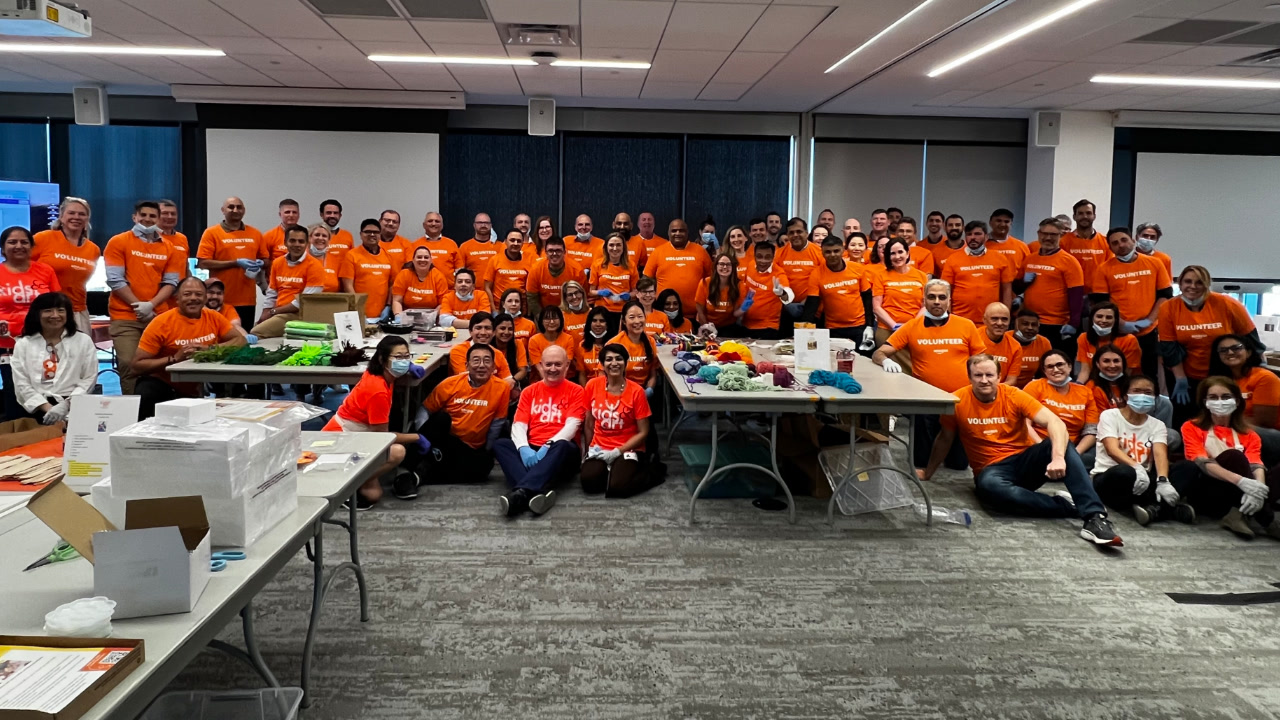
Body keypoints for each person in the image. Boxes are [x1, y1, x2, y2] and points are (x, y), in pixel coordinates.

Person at [925, 354, 1123, 547]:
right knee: (992, 491)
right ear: (969, 377)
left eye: (989, 375)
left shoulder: (1013, 395)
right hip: (992, 470)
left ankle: (1095, 518)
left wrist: (1057, 458)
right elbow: (945, 438)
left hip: (1024, 460)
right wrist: (928, 472)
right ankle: (1068, 506)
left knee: (1059, 441)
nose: (984, 380)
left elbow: (1054, 422)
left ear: (999, 376)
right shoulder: (957, 400)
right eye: (978, 376)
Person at [874, 279, 986, 470]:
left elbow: (982, 361)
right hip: (924, 400)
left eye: (942, 297)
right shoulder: (912, 326)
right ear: (924, 300)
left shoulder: (966, 325)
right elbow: (879, 352)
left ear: (949, 301)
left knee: (958, 465)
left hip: (959, 400)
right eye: (931, 297)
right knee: (921, 463)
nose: (936, 301)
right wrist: (885, 360)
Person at [322, 335, 424, 507]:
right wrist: (417, 438)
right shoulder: (378, 391)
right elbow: (382, 436)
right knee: (396, 453)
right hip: (343, 437)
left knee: (373, 490)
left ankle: (359, 480)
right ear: (383, 359)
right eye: (398, 357)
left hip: (357, 432)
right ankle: (345, 487)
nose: (404, 361)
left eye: (407, 356)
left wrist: (409, 366)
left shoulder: (380, 372)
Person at [1172, 376, 1280, 539]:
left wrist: (1258, 488)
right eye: (1213, 397)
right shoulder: (1192, 427)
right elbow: (1201, 461)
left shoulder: (1249, 434)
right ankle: (1267, 519)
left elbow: (1255, 463)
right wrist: (1241, 482)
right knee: (1234, 456)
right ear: (1205, 402)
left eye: (1226, 397)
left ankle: (1238, 513)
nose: (1220, 401)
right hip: (1209, 490)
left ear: (1237, 401)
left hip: (1241, 494)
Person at [132, 277, 245, 420]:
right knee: (147, 392)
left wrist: (209, 349)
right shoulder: (161, 323)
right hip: (162, 383)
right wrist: (174, 359)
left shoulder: (214, 317)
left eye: (198, 294)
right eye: (187, 294)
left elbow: (240, 340)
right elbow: (136, 366)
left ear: (205, 298)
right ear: (177, 299)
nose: (193, 298)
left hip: (195, 386)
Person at [1159, 265, 1259, 425]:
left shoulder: (1227, 303)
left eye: (1199, 282)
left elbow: (1251, 341)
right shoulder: (1168, 308)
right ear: (1180, 284)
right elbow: (1169, 347)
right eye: (1187, 281)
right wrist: (1180, 378)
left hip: (1224, 373)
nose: (1192, 286)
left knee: (1221, 419)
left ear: (1207, 284)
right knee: (1186, 421)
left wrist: (1254, 371)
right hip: (1185, 375)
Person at [493, 345, 586, 517]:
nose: (552, 369)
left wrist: (548, 446)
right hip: (532, 446)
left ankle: (521, 493)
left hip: (561, 452)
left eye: (558, 364)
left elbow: (572, 426)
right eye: (548, 364)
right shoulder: (529, 391)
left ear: (567, 366)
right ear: (541, 365)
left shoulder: (577, 391)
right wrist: (523, 448)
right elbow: (519, 424)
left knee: (562, 445)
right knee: (501, 444)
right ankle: (535, 492)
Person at [104, 202, 185, 396]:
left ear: (159, 219)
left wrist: (151, 305)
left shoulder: (170, 248)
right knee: (129, 364)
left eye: (152, 216)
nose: (147, 219)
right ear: (134, 217)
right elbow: (115, 280)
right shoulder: (119, 241)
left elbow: (171, 282)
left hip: (158, 316)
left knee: (164, 366)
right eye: (143, 215)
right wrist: (137, 305)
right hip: (126, 318)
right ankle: (135, 414)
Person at [1091, 374, 1190, 526]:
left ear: (1155, 397)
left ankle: (1152, 509)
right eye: (1136, 391)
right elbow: (1112, 449)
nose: (1142, 396)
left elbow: (1160, 453)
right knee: (1125, 472)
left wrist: (1163, 480)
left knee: (1187, 467)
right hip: (1110, 477)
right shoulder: (1110, 416)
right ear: (1125, 395)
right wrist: (1136, 467)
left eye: (1148, 393)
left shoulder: (1157, 425)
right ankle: (1165, 509)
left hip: (1143, 480)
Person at [419, 343, 511, 484]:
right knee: (441, 418)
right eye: (476, 360)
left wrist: (486, 451)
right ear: (467, 365)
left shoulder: (503, 388)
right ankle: (424, 464)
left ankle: (424, 474)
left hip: (469, 447)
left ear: (493, 367)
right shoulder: (450, 383)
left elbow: (496, 424)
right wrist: (420, 439)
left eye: (487, 361)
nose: (481, 365)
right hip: (445, 439)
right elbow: (425, 411)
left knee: (484, 468)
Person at [580, 342, 659, 499]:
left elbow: (644, 431)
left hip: (628, 447)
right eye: (609, 360)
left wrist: (618, 451)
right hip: (600, 446)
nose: (614, 363)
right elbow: (589, 423)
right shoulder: (592, 385)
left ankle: (652, 470)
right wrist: (588, 451)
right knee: (589, 483)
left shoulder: (637, 391)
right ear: (602, 364)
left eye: (619, 359)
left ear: (625, 363)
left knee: (617, 488)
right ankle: (612, 470)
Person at [1089, 227, 1172, 379]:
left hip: (1148, 331)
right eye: (1115, 243)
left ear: (1133, 241)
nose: (1120, 245)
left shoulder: (1155, 263)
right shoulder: (1103, 269)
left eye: (1124, 240)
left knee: (1148, 372)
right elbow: (1101, 302)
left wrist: (1149, 320)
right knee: (1117, 371)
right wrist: (1121, 323)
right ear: (1110, 248)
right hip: (1119, 331)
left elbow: (1165, 295)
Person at [0, 227, 62, 418]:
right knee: (15, 393)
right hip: (7, 347)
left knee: (47, 392)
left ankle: (45, 438)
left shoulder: (45, 271)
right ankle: (16, 438)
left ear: (31, 246)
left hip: (44, 345)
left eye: (24, 242)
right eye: (12, 242)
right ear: (3, 248)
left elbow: (58, 304)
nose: (18, 246)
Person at [11, 292, 97, 425]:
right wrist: (48, 408)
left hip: (74, 403)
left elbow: (89, 378)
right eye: (48, 311)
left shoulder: (83, 341)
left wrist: (67, 405)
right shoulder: (23, 344)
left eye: (61, 310)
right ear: (37, 314)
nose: (55, 315)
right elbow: (21, 383)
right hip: (35, 407)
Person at [1208, 334, 1280, 466]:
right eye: (1223, 350)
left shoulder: (1264, 378)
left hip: (1269, 435)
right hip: (1232, 428)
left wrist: (1224, 425)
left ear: (1248, 352)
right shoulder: (1220, 380)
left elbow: (1264, 421)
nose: (1230, 352)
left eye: (1236, 348)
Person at [196, 196, 268, 328]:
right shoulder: (211, 233)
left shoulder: (255, 233)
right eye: (231, 207)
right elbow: (203, 263)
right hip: (219, 299)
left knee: (243, 339)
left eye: (239, 207)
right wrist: (235, 263)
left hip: (247, 300)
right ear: (223, 210)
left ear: (244, 210)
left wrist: (260, 263)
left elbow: (266, 260)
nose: (235, 210)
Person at [32, 197, 100, 332]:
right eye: (71, 213)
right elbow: (22, 269)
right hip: (45, 310)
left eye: (82, 214)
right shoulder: (43, 238)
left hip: (77, 311)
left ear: (87, 219)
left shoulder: (93, 249)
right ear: (61, 216)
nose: (76, 217)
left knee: (79, 352)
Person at [1023, 349, 1099, 465]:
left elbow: (1091, 431)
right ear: (1044, 371)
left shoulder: (1085, 392)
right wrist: (1043, 448)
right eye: (1050, 367)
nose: (1056, 370)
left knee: (1096, 456)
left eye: (1060, 365)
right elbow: (1024, 424)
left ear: (1069, 367)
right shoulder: (1035, 386)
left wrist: (1076, 454)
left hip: (1074, 448)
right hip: (1040, 445)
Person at [1019, 217, 1084, 351]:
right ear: (1038, 234)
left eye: (1053, 234)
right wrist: (1022, 282)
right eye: (1044, 234)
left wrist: (1074, 323)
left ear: (1061, 235)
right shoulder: (1030, 259)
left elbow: (1076, 297)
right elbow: (1016, 287)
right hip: (1030, 322)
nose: (1048, 238)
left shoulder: (1069, 262)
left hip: (1056, 325)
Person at [251, 225, 325, 338]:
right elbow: (272, 293)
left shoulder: (315, 266)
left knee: (256, 332)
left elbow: (304, 302)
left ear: (307, 244)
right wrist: (264, 314)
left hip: (299, 314)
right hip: (279, 313)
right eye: (292, 240)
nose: (296, 245)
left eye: (301, 241)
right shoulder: (277, 263)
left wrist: (273, 312)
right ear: (285, 242)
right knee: (255, 327)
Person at [941, 220, 1015, 325]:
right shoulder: (953, 259)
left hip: (991, 320)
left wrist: (1005, 316)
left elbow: (1007, 289)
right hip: (960, 318)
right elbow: (946, 290)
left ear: (986, 236)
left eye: (977, 234)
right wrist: (948, 316)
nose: (973, 237)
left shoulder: (1000, 258)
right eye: (969, 234)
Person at [810, 234, 874, 347]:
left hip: (859, 326)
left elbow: (867, 298)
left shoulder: (858, 268)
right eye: (828, 252)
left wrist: (869, 326)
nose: (832, 255)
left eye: (836, 251)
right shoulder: (816, 274)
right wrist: (802, 330)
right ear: (822, 253)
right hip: (833, 328)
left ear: (843, 250)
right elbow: (812, 304)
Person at [643, 219, 711, 316]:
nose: (677, 233)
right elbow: (646, 281)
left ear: (687, 232)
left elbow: (711, 280)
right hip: (664, 315)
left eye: (681, 230)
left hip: (695, 314)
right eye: (674, 231)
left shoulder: (701, 251)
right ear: (668, 233)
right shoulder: (658, 252)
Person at [871, 237, 928, 346]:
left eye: (900, 252)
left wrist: (912, 326)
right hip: (887, 331)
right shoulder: (880, 276)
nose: (897, 257)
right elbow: (876, 307)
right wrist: (894, 326)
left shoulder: (921, 276)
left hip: (914, 331)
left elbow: (925, 305)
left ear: (907, 253)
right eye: (893, 253)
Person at [339, 219, 395, 321]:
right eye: (367, 232)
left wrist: (388, 305)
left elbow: (391, 284)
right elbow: (348, 286)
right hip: (359, 314)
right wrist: (358, 310)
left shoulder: (388, 256)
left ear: (380, 234)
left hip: (382, 315)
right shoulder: (352, 255)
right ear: (361, 234)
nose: (372, 235)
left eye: (376, 232)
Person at [1075, 301, 1142, 383]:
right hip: (1095, 382)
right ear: (1092, 318)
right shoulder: (1084, 338)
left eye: (1109, 317)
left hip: (1124, 383)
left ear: (1115, 320)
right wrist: (1078, 385)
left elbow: (1127, 373)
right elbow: (1085, 371)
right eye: (1099, 316)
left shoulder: (1129, 340)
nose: (1103, 320)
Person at [775, 217, 823, 328]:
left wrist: (808, 301)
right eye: (791, 232)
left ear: (807, 233)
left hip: (812, 309)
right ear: (787, 235)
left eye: (799, 231)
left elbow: (824, 280)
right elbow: (777, 280)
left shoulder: (819, 253)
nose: (795, 235)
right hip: (785, 308)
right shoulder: (779, 254)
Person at [740, 241, 793, 339]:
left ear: (773, 257)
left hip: (768, 328)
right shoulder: (751, 265)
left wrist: (782, 293)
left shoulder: (779, 274)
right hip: (745, 325)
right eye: (759, 256)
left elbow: (789, 296)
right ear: (754, 256)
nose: (763, 261)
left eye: (767, 257)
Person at [1059, 199, 1111, 290]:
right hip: (1071, 292)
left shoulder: (1106, 241)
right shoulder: (1063, 242)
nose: (1085, 216)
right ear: (1074, 217)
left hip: (1099, 294)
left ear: (1094, 216)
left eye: (1088, 213)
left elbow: (1111, 269)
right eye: (1080, 213)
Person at [527, 236, 584, 318]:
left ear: (564, 252)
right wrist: (542, 317)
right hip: (543, 314)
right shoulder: (536, 269)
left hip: (570, 313)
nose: (554, 254)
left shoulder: (576, 270)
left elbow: (581, 297)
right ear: (546, 252)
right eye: (551, 251)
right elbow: (532, 298)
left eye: (558, 251)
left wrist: (570, 317)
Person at [609, 300, 658, 395]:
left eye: (640, 316)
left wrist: (649, 389)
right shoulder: (614, 343)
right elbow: (604, 375)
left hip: (643, 391)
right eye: (632, 317)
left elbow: (653, 373)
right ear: (624, 321)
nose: (637, 321)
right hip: (620, 392)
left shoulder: (650, 341)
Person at [448, 312, 513, 380]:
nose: (483, 333)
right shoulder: (458, 351)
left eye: (487, 328)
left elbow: (509, 381)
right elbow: (469, 380)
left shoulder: (498, 354)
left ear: (494, 332)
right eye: (478, 328)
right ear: (470, 331)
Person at [590, 232, 638, 320]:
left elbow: (636, 291)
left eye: (618, 245)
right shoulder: (597, 265)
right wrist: (600, 292)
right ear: (606, 247)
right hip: (602, 311)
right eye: (611, 245)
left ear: (623, 247)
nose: (615, 248)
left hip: (624, 311)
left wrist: (629, 295)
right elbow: (590, 291)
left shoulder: (631, 266)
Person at [391, 246, 450, 316]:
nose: (422, 260)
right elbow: (397, 301)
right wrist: (398, 317)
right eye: (419, 257)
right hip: (406, 318)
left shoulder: (439, 277)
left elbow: (443, 303)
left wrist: (431, 317)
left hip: (431, 319)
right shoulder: (403, 275)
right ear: (413, 260)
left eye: (426, 257)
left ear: (431, 260)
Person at [528, 305, 577, 379]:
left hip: (566, 379)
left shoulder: (568, 338)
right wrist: (550, 382)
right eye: (547, 318)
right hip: (541, 380)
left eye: (555, 318)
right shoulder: (534, 340)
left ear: (561, 320)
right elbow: (539, 367)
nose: (551, 322)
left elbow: (566, 365)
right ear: (541, 321)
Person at [1010, 308, 1054, 388]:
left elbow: (1047, 371)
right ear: (1015, 325)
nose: (1030, 328)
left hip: (1032, 388)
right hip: (1005, 387)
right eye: (1025, 324)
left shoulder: (1044, 342)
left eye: (1034, 325)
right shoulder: (1004, 339)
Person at [979, 302, 1021, 384]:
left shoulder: (1015, 346)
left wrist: (992, 390)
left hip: (1000, 391)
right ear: (984, 320)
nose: (999, 323)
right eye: (994, 319)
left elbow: (1012, 380)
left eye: (1004, 319)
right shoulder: (973, 338)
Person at [486, 229, 532, 301]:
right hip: (500, 308)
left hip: (521, 307)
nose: (515, 243)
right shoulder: (494, 260)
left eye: (519, 241)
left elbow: (531, 289)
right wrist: (494, 309)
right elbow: (487, 287)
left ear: (523, 243)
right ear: (505, 242)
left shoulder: (529, 260)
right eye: (512, 240)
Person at [410, 212, 459, 278]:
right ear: (424, 225)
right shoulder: (414, 245)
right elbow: (410, 270)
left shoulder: (451, 244)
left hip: (449, 287)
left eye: (437, 221)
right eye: (430, 221)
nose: (433, 224)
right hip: (424, 287)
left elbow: (459, 270)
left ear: (442, 225)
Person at [575, 306, 613, 381]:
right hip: (589, 388)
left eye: (602, 321)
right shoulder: (582, 345)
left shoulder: (614, 344)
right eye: (594, 321)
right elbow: (582, 374)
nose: (598, 324)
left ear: (608, 324)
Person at [492, 312, 531, 385]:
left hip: (511, 383)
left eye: (510, 329)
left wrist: (512, 381)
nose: (506, 332)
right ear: (494, 330)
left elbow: (523, 371)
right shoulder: (487, 346)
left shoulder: (517, 344)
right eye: (502, 328)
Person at [157, 199, 189, 278]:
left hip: (180, 288)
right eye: (165, 213)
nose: (170, 217)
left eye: (173, 214)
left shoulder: (182, 238)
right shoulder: (148, 237)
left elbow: (186, 267)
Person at [307, 224, 342, 292]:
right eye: (317, 235)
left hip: (330, 301)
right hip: (305, 301)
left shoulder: (335, 260)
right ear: (309, 238)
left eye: (324, 236)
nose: (320, 238)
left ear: (329, 240)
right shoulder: (301, 258)